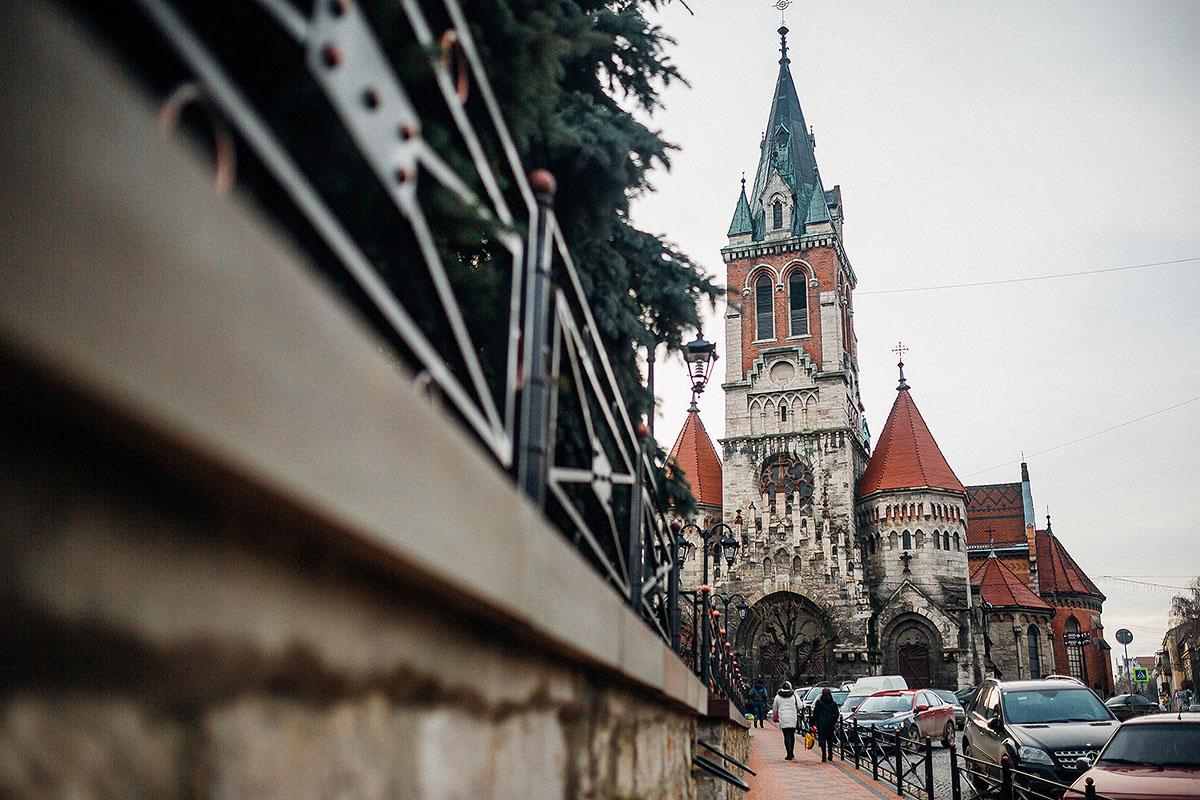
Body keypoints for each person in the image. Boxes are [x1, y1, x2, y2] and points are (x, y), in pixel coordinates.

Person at [771, 680, 803, 760]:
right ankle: (792, 752)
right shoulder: (794, 695)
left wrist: (775, 716)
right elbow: (800, 706)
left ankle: (789, 753)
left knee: (786, 736)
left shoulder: (778, 696)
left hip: (783, 718)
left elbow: (774, 709)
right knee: (792, 735)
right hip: (792, 718)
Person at [811, 686, 840, 763]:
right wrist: (833, 721)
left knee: (822, 739)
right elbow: (837, 714)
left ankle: (824, 755)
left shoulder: (819, 703)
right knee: (830, 739)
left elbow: (815, 713)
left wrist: (813, 723)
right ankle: (830, 755)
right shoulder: (833, 703)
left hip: (821, 724)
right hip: (830, 724)